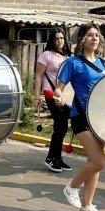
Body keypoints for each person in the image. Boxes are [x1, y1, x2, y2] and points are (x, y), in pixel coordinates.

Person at [54, 23, 105, 211]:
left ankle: (86, 206)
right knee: (99, 160)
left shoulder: (104, 64)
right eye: (89, 35)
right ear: (81, 40)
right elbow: (59, 88)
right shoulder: (73, 63)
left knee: (95, 163)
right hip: (81, 116)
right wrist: (59, 97)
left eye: (97, 35)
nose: (94, 38)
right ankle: (71, 188)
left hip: (101, 117)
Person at [34, 28, 73, 173]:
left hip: (65, 95)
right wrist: (37, 97)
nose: (60, 41)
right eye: (57, 38)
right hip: (51, 94)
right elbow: (38, 76)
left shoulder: (68, 56)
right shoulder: (46, 55)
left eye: (62, 38)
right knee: (60, 125)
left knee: (62, 127)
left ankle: (57, 158)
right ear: (52, 40)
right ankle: (50, 158)